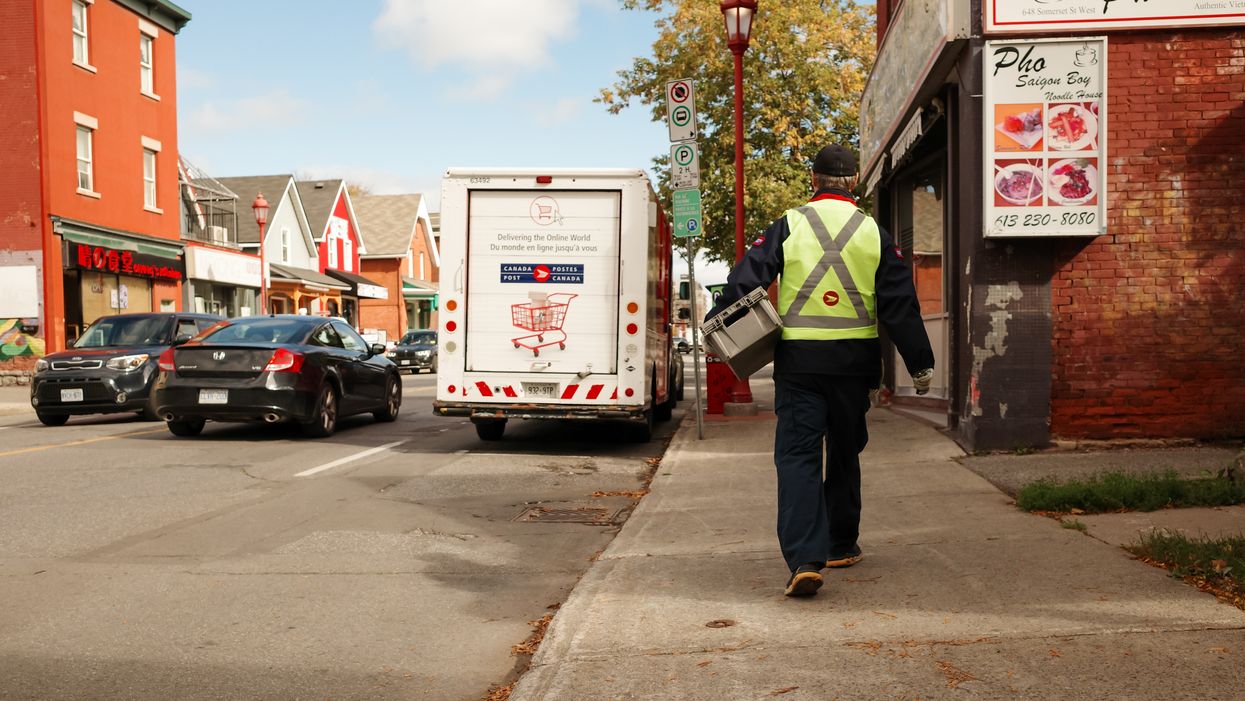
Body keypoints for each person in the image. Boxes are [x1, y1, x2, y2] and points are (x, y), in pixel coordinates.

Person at [705, 144, 934, 597]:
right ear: (854, 183)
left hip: (801, 363)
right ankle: (841, 544)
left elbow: (745, 279)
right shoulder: (875, 232)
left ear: (814, 179)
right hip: (854, 365)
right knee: (845, 452)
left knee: (798, 456)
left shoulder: (790, 224)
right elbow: (899, 303)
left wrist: (720, 323)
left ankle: (805, 560)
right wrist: (920, 361)